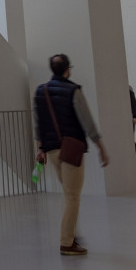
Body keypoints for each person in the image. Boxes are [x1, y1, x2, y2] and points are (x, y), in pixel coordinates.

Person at [32, 53, 109, 256]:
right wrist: (100, 146)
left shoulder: (41, 91)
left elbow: (39, 124)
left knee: (68, 195)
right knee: (72, 196)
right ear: (68, 70)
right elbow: (87, 121)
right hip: (71, 149)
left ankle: (72, 233)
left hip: (52, 150)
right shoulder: (73, 90)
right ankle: (67, 242)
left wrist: (40, 148)